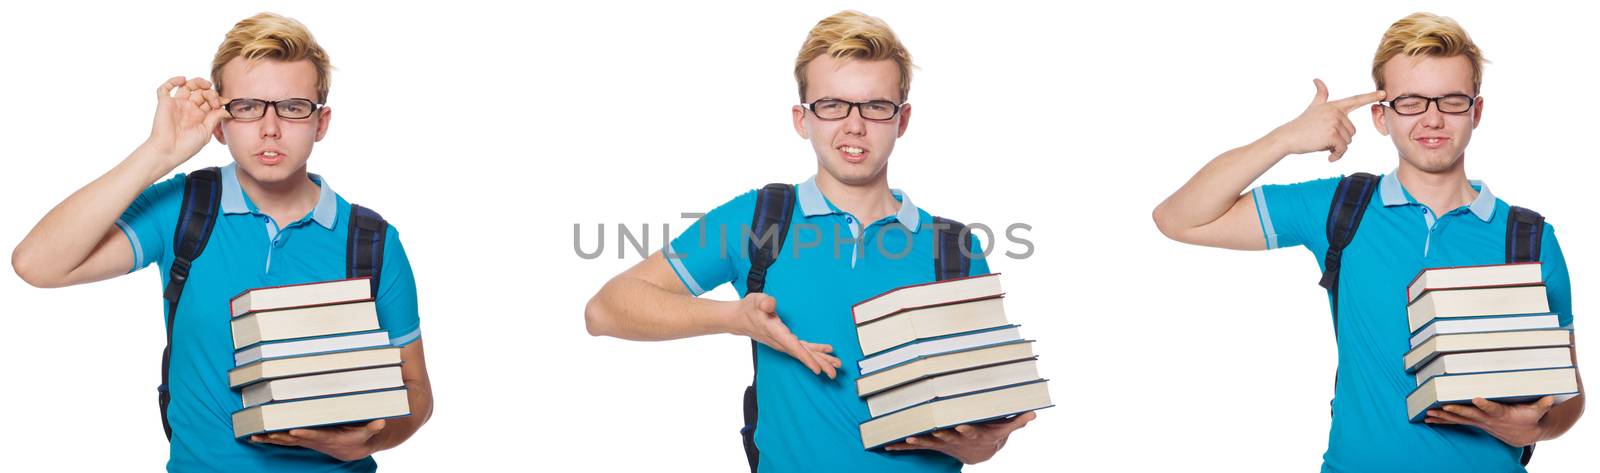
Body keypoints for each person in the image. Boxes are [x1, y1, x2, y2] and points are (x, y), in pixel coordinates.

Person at [585, 10, 1033, 472]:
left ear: (902, 120)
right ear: (802, 119)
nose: (854, 126)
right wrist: (734, 317)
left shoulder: (953, 251)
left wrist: (980, 446)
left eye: (876, 106)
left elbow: (980, 428)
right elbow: (604, 310)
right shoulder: (759, 220)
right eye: (832, 105)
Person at [1152, 12, 1582, 472]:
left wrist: (1535, 429)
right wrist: (1284, 140)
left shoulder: (1530, 238)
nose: (1432, 119)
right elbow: (1178, 219)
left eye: (1451, 101)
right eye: (1411, 101)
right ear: (1382, 116)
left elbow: (1568, 399)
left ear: (1475, 112)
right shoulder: (1341, 209)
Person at [11, 12, 433, 472]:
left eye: (292, 107)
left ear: (321, 122)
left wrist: (367, 440)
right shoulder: (187, 208)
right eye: (248, 107)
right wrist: (159, 152)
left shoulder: (370, 241)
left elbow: (416, 393)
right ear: (220, 123)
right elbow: (37, 264)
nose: (270, 129)